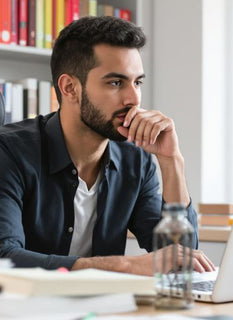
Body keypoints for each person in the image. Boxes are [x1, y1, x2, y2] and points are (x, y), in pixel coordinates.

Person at [0, 16, 214, 275]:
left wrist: (172, 161)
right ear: (70, 88)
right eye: (116, 83)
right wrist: (125, 265)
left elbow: (181, 256)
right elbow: (5, 258)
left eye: (137, 82)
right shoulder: (9, 152)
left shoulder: (136, 161)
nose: (133, 98)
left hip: (105, 310)